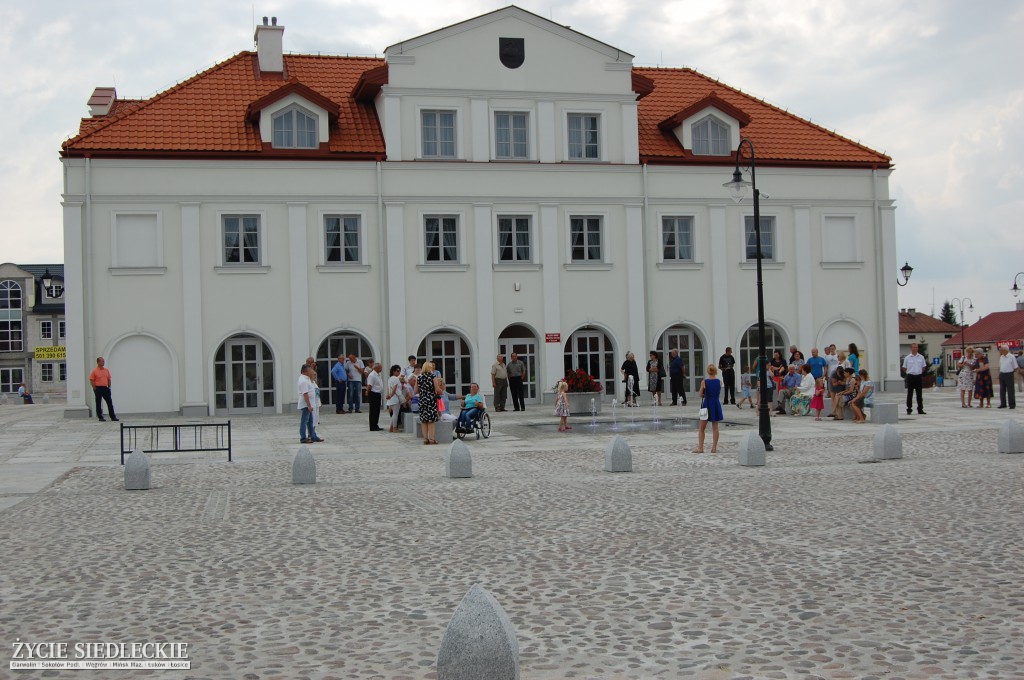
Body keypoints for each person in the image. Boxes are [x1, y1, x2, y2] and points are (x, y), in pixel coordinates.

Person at [694, 364, 723, 454]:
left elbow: (700, 394)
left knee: (702, 428)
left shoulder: (704, 382)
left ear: (708, 371)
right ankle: (714, 448)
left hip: (707, 404)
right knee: (715, 428)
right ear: (715, 371)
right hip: (716, 404)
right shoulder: (719, 381)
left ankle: (701, 448)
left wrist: (703, 391)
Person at [89, 357, 119, 422]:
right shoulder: (95, 371)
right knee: (98, 403)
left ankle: (113, 417)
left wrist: (109, 387)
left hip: (105, 388)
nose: (103, 362)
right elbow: (91, 380)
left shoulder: (106, 370)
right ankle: (100, 417)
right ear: (98, 362)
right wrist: (95, 388)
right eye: (102, 361)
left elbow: (109, 379)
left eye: (103, 361)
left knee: (109, 403)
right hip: (98, 388)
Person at [418, 361, 440, 445]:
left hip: (422, 400)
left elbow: (416, 390)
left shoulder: (419, 377)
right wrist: (441, 392)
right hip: (431, 400)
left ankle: (425, 439)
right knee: (431, 421)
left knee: (424, 420)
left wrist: (423, 391)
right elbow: (437, 389)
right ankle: (431, 439)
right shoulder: (433, 376)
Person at [902, 343, 927, 415]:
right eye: (913, 347)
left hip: (918, 376)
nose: (915, 348)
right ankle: (909, 409)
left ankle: (920, 409)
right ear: (911, 348)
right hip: (910, 376)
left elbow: (923, 367)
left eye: (916, 347)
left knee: (919, 394)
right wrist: (908, 372)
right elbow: (904, 368)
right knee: (910, 394)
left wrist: (919, 372)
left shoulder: (921, 357)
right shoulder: (907, 358)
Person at [297, 364, 316, 443]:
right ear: (306, 371)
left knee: (310, 421)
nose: (311, 371)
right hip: (306, 404)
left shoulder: (306, 378)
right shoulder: (303, 380)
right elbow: (305, 394)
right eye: (310, 370)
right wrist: (309, 405)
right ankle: (303, 438)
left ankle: (313, 436)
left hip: (309, 403)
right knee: (304, 421)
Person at [365, 362, 385, 430]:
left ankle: (375, 425)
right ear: (376, 368)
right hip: (373, 394)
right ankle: (372, 426)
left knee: (377, 410)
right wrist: (367, 392)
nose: (381, 369)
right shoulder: (372, 375)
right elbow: (369, 385)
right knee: (373, 410)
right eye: (380, 368)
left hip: (378, 394)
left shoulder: (378, 375)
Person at [385, 364, 403, 431]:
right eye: (397, 371)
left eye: (399, 371)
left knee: (393, 414)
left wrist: (388, 395)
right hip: (395, 398)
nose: (399, 373)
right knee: (395, 413)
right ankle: (395, 428)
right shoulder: (396, 378)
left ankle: (391, 427)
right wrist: (391, 395)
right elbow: (394, 389)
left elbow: (388, 388)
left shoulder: (390, 378)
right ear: (393, 371)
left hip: (391, 399)